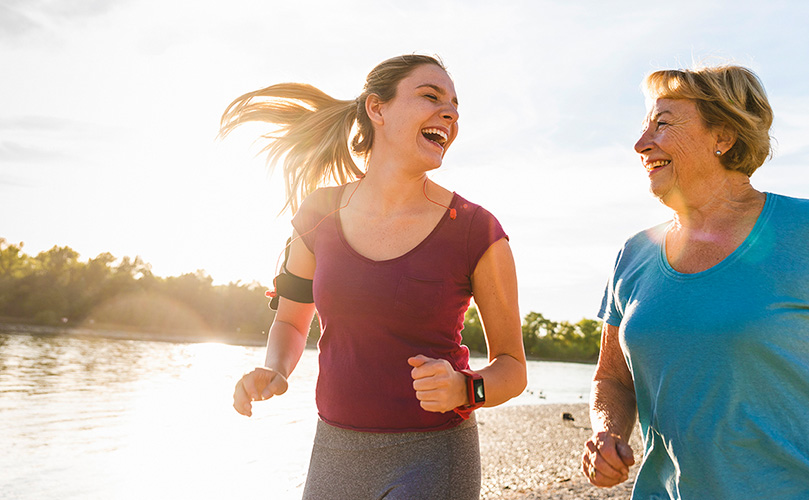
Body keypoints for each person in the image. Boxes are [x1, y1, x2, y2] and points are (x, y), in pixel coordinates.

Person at [221, 54, 527, 500]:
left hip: (435, 455)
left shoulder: (477, 231)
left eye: (456, 106)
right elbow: (290, 321)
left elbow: (513, 369)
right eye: (431, 96)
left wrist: (467, 387)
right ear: (377, 108)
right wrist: (275, 369)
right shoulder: (318, 213)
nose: (451, 114)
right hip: (334, 452)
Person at [581, 63, 809, 499]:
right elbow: (611, 378)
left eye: (662, 125)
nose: (640, 144)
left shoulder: (803, 228)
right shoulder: (634, 254)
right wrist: (606, 434)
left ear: (722, 136)